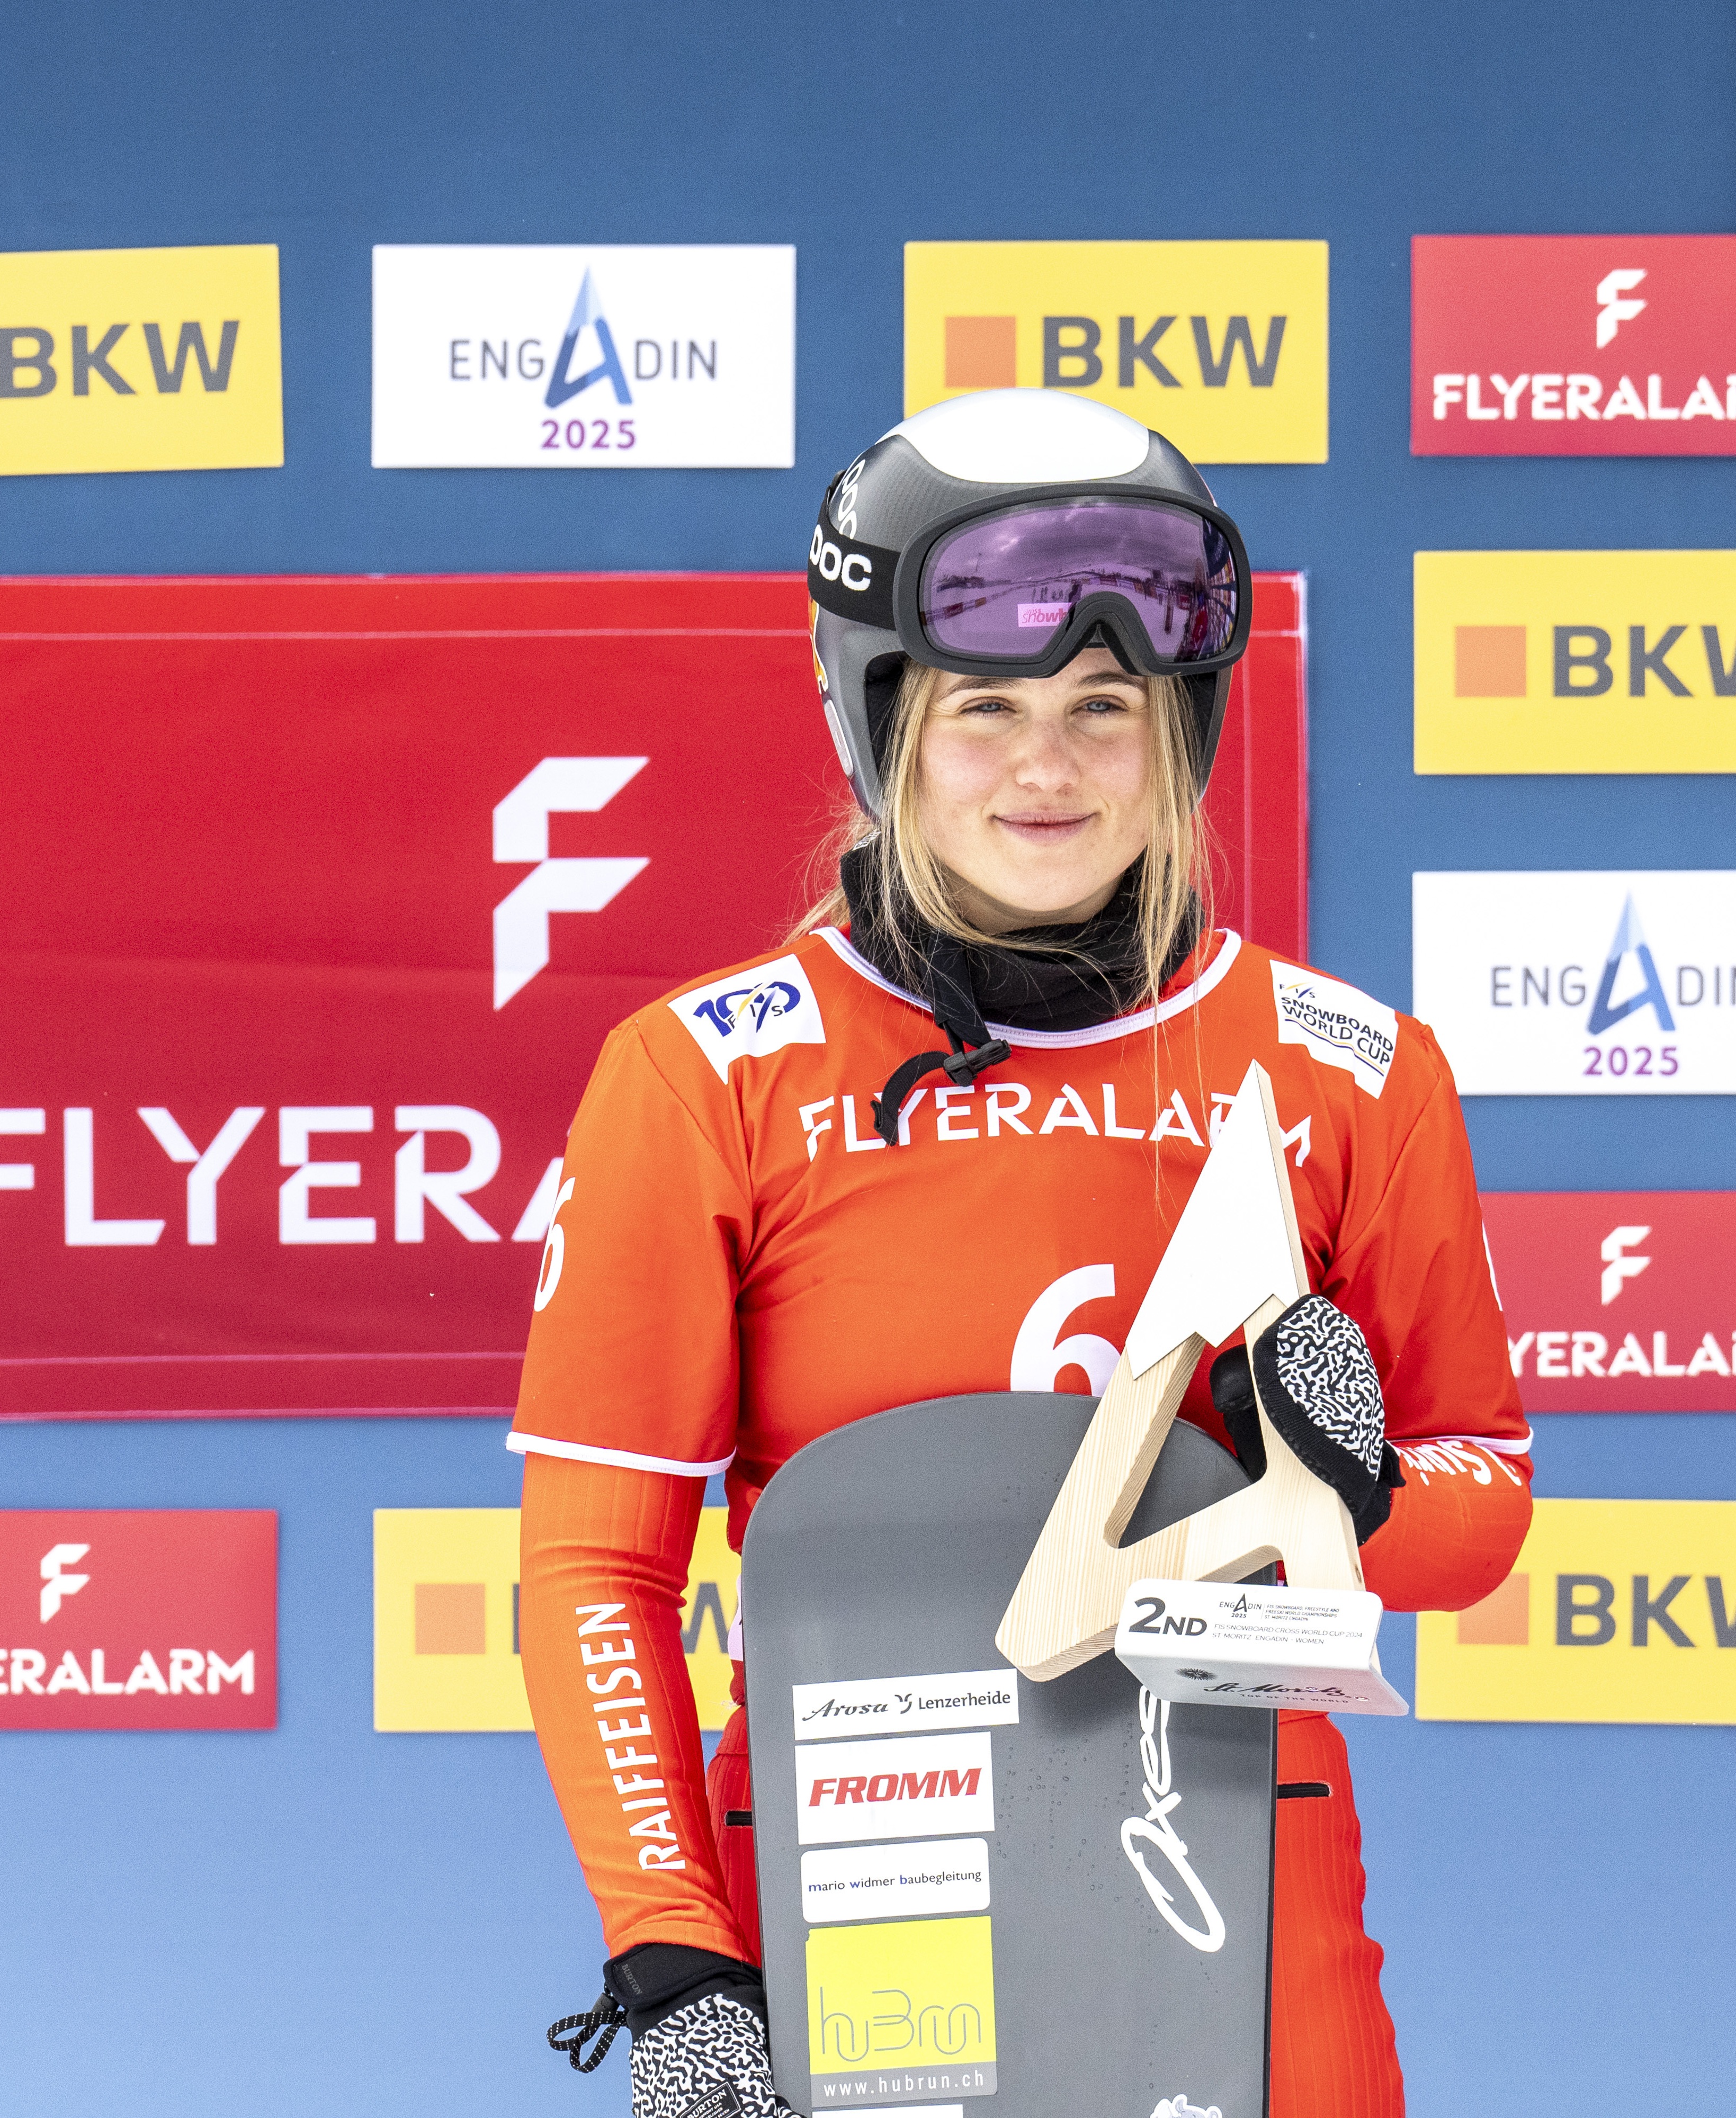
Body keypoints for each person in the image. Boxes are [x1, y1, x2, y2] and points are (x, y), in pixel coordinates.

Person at [513, 388, 1533, 2118]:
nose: (1047, 770)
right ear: (881, 726)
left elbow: (1480, 1515)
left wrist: (1348, 1488)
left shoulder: (1350, 1068)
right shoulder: (711, 1077)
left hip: (1232, 1895)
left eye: (1103, 711)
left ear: (1181, 732)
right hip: (852, 1879)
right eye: (984, 711)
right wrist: (678, 1960)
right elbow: (592, 1575)